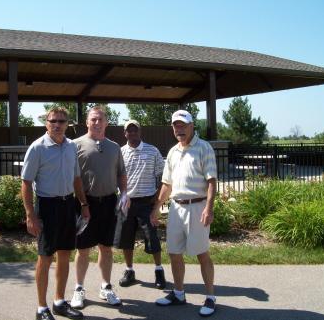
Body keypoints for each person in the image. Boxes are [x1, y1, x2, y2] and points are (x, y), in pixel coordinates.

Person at [21, 107, 90, 320]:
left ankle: (59, 302)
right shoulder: (37, 148)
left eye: (61, 121)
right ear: (46, 123)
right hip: (47, 206)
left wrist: (83, 204)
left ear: (67, 123)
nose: (57, 125)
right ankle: (41, 308)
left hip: (67, 205)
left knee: (64, 255)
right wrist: (30, 214)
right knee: (45, 257)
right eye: (53, 121)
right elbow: (26, 182)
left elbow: (76, 178)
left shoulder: (71, 147)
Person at [151, 109, 218, 317]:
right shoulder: (172, 152)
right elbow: (166, 184)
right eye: (175, 125)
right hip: (176, 209)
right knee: (174, 252)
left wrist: (209, 208)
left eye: (182, 125)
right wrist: (156, 207)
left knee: (201, 253)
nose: (178, 129)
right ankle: (179, 293)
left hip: (197, 208)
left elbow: (212, 182)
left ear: (191, 126)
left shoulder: (204, 148)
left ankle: (210, 297)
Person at [70, 106, 130, 309]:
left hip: (109, 203)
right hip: (85, 203)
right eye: (93, 119)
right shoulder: (75, 145)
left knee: (106, 248)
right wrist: (82, 203)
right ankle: (78, 289)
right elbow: (73, 177)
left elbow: (121, 173)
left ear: (106, 123)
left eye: (100, 119)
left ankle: (106, 286)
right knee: (83, 248)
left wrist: (124, 193)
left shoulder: (114, 147)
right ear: (87, 122)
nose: (96, 123)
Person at [113, 119, 167, 289]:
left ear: (140, 132)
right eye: (129, 131)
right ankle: (129, 271)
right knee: (125, 239)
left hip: (146, 202)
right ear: (125, 133)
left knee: (152, 237)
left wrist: (157, 197)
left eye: (135, 130)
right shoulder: (119, 153)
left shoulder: (152, 151)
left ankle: (159, 271)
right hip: (126, 203)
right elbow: (116, 177)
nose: (132, 133)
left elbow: (164, 177)